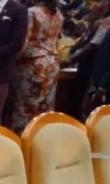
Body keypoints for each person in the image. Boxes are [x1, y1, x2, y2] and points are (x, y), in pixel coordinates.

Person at [11, 0, 64, 133]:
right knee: (45, 106)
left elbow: (23, 43)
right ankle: (42, 138)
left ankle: (22, 139)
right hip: (52, 63)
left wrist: (11, 59)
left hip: (33, 64)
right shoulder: (58, 13)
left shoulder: (32, 12)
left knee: (25, 106)